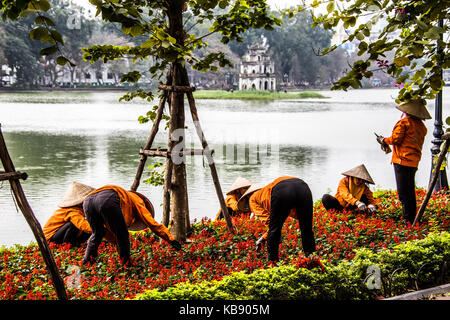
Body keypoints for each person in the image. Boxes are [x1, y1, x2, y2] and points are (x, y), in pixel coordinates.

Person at [81, 184, 182, 266]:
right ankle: (126, 263)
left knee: (98, 233)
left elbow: (110, 233)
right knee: (123, 234)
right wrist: (170, 239)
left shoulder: (125, 199)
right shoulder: (138, 201)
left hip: (87, 201)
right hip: (108, 199)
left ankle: (87, 261)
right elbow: (152, 223)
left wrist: (117, 244)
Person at [376, 99, 431, 224]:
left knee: (403, 193)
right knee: (410, 191)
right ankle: (412, 218)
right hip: (413, 161)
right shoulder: (422, 126)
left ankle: (408, 220)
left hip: (402, 161)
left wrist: (383, 140)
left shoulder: (404, 122)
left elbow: (395, 139)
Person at [237, 177, 316, 262]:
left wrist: (263, 238)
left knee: (274, 231)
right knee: (307, 228)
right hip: (302, 186)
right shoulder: (265, 189)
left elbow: (270, 224)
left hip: (282, 190)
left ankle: (273, 265)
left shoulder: (252, 200)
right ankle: (312, 261)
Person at [43, 182, 95, 246]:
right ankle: (68, 245)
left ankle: (77, 243)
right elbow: (82, 225)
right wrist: (102, 230)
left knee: (90, 222)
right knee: (73, 224)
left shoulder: (79, 210)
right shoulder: (71, 211)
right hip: (50, 239)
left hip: (60, 235)